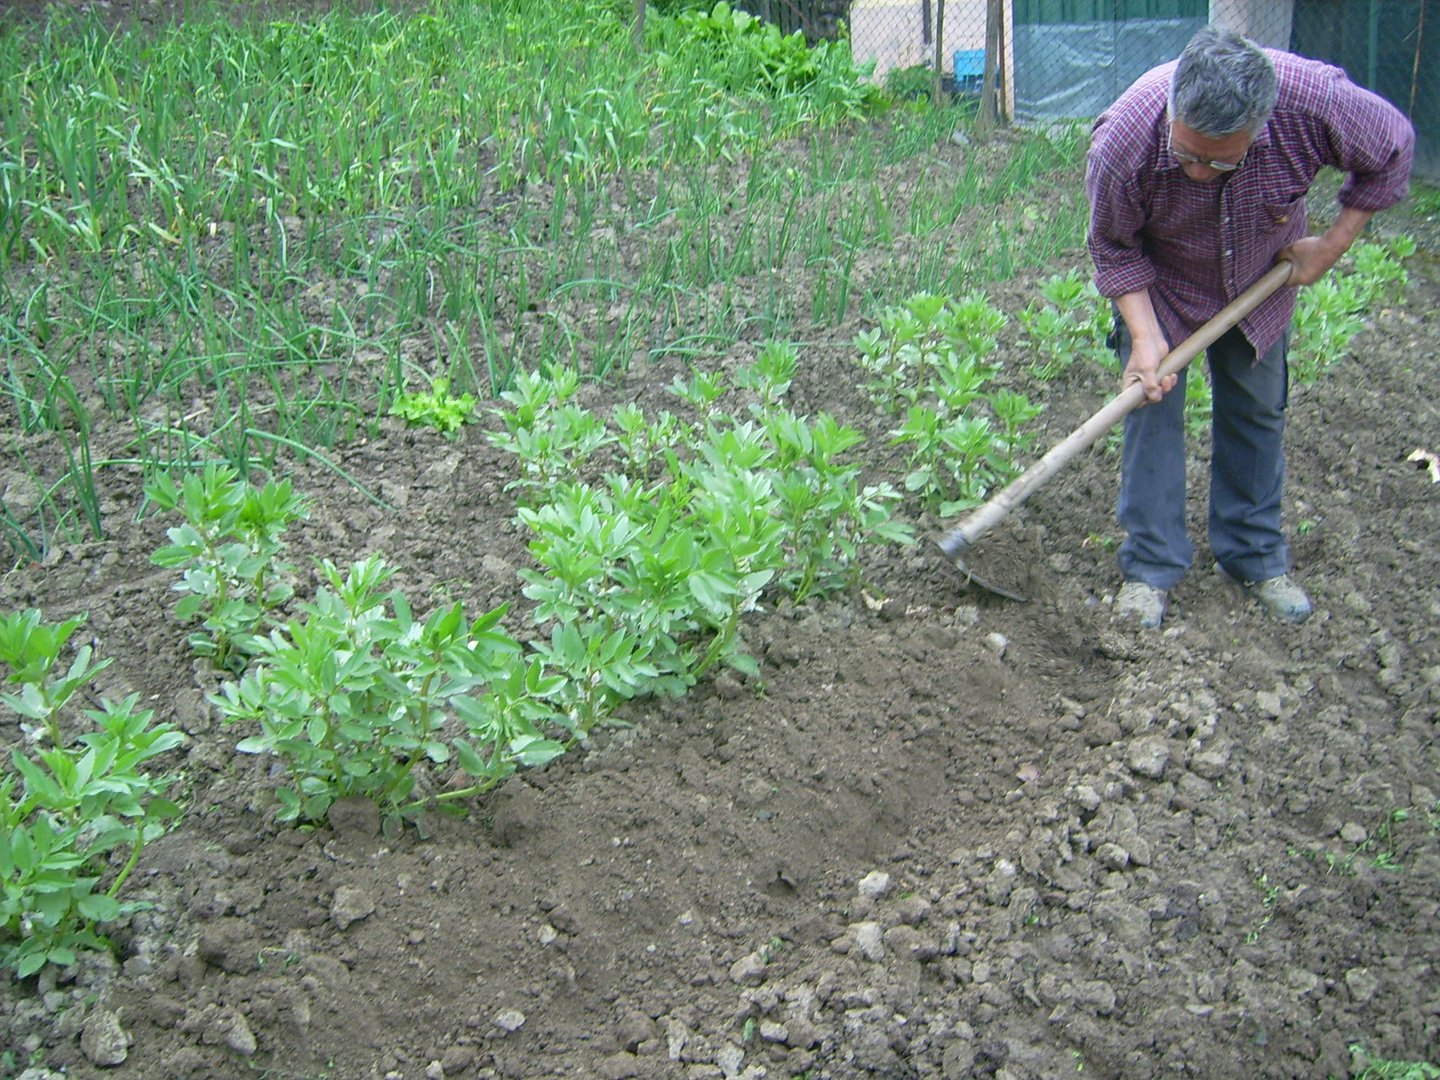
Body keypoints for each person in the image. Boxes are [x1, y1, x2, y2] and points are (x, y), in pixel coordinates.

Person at [1085, 24, 1414, 628]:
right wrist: (1143, 335)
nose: (1199, 172)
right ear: (1172, 109)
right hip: (1162, 284)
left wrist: (1332, 245)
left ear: (1262, 127)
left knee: (1258, 410)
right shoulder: (1126, 137)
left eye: (1220, 160)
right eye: (1186, 155)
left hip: (1262, 280)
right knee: (1150, 408)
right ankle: (1150, 570)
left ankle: (1254, 556)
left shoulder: (1316, 102)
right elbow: (1112, 244)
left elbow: (1391, 150)